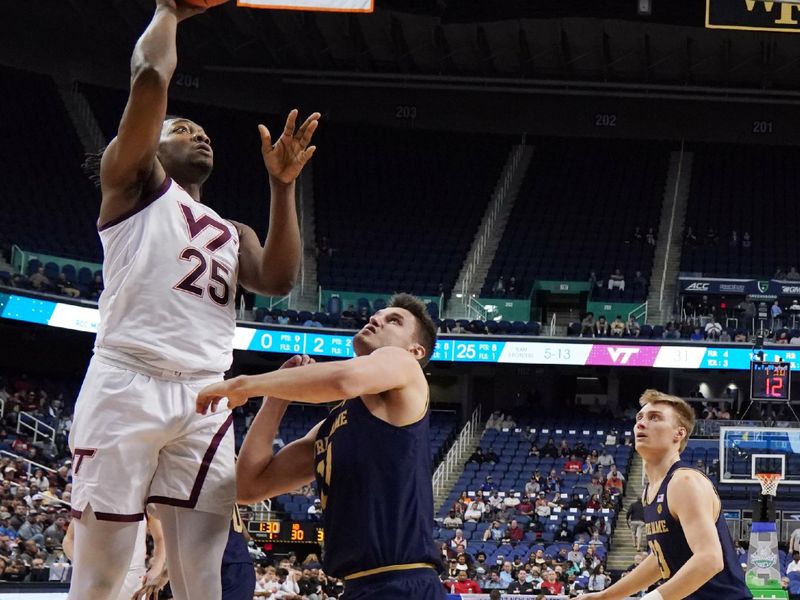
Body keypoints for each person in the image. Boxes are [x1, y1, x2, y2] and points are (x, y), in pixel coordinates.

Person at [68, 2, 318, 598]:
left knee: (201, 573)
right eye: (181, 129)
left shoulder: (234, 231)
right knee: (104, 573)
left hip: (208, 392)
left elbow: (280, 280)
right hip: (129, 379)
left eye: (202, 131)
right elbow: (151, 78)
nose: (199, 134)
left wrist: (282, 187)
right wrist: (169, 12)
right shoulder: (131, 185)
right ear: (147, 142)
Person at [198, 294, 445, 600]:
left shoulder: (406, 364)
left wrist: (244, 384)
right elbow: (250, 486)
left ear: (416, 349)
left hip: (404, 581)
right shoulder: (333, 424)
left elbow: (343, 380)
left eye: (394, 320)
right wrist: (276, 397)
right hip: (357, 586)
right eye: (378, 314)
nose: (376, 319)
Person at [581, 389, 752, 600]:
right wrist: (604, 596)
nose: (641, 424)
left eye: (655, 418)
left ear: (678, 434)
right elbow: (661, 559)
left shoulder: (684, 481)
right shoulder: (649, 492)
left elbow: (710, 559)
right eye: (640, 418)